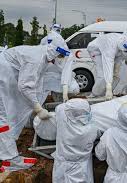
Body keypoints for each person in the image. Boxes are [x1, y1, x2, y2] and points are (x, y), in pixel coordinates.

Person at [0, 34, 70, 172]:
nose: (59, 60)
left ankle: (7, 153)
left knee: (4, 115)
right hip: (3, 75)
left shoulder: (40, 54)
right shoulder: (37, 59)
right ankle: (9, 159)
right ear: (55, 52)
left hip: (5, 73)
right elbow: (25, 86)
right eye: (60, 56)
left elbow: (34, 81)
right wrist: (38, 108)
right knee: (3, 116)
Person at [52, 99, 100, 183]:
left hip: (62, 164)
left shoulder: (62, 116)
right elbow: (98, 134)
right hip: (80, 169)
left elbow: (60, 107)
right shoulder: (91, 129)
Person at [87, 34, 127, 99]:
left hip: (116, 51)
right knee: (102, 75)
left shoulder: (125, 43)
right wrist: (108, 85)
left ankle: (108, 93)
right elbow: (108, 65)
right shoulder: (110, 44)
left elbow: (124, 56)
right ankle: (96, 94)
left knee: (116, 75)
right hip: (96, 50)